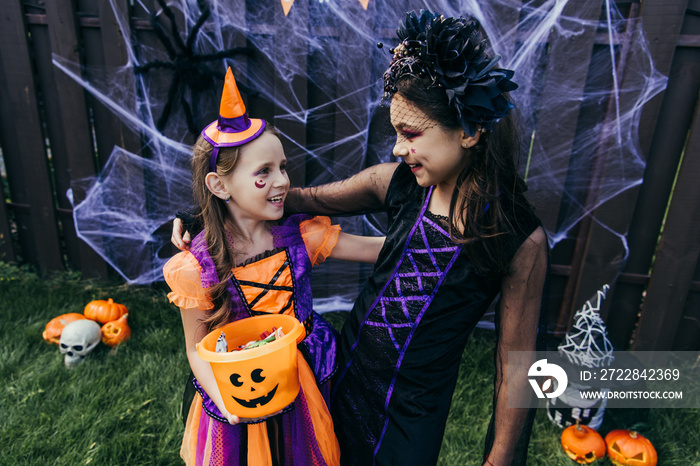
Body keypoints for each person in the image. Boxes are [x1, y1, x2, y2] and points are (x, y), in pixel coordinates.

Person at [173, 11, 548, 465]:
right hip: (342, 377)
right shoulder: (399, 182)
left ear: (468, 131)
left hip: (413, 413)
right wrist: (205, 218)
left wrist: (499, 460)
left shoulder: (517, 240)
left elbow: (516, 366)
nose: (396, 147)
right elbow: (295, 199)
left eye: (410, 134)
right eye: (395, 133)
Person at [163, 68, 384, 466]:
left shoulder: (301, 236)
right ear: (220, 186)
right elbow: (197, 350)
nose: (282, 181)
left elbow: (377, 250)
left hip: (307, 376)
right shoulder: (196, 267)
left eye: (282, 167)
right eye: (263, 172)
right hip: (241, 386)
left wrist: (442, 233)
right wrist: (226, 401)